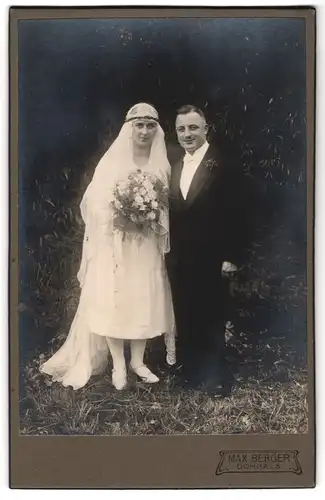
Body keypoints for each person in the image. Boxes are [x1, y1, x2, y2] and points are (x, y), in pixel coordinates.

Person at [40, 103, 176, 391]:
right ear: (129, 128)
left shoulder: (161, 163)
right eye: (138, 125)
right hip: (115, 244)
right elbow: (93, 204)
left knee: (143, 297)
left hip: (146, 244)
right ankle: (117, 364)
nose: (144, 131)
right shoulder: (113, 161)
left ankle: (137, 362)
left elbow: (165, 206)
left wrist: (148, 214)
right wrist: (124, 214)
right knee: (116, 298)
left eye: (150, 125)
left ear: (156, 129)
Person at [166, 104, 249, 396]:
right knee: (186, 312)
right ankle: (191, 371)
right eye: (181, 129)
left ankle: (216, 377)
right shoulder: (176, 166)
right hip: (181, 257)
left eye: (192, 128)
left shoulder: (224, 165)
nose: (187, 134)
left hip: (213, 256)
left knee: (212, 314)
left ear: (205, 129)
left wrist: (232, 256)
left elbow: (239, 214)